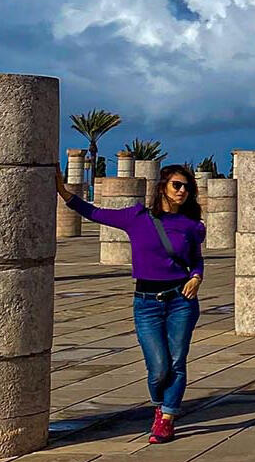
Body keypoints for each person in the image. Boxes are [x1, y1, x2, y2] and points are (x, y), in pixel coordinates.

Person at [56, 164, 205, 444]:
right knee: (158, 367)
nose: (182, 191)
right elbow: (95, 213)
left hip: (181, 300)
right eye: (177, 185)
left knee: (177, 361)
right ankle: (160, 405)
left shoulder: (191, 225)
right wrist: (64, 192)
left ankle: (167, 418)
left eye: (187, 187)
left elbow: (196, 259)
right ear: (162, 187)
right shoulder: (137, 217)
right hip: (146, 303)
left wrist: (196, 277)